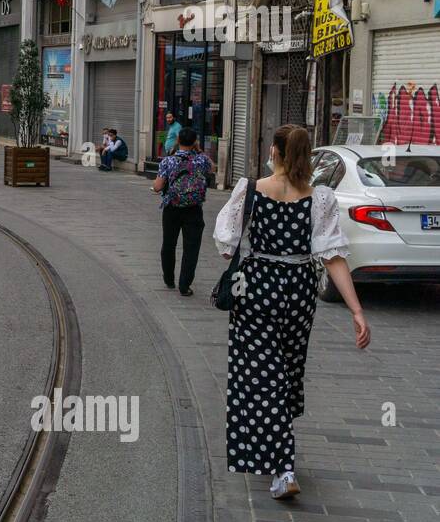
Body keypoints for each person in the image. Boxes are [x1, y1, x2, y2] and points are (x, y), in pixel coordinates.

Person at [213, 124, 371, 500]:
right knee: (284, 371)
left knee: (261, 377)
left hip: (256, 290)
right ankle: (277, 454)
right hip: (299, 293)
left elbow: (226, 243)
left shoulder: (251, 189)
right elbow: (332, 256)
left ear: (275, 152)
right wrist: (357, 310)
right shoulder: (320, 198)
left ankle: (283, 468)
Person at [153, 127, 215, 296]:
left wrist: (156, 187)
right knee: (191, 248)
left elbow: (158, 186)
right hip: (194, 209)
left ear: (178, 140)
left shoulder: (168, 161)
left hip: (172, 207)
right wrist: (199, 151)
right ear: (195, 142)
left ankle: (169, 278)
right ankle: (184, 285)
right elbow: (212, 169)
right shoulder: (202, 160)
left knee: (169, 244)